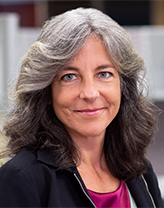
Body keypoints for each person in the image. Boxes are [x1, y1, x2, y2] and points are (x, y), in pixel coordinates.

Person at [0, 7, 163, 208]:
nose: (90, 93)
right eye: (69, 77)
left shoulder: (139, 169)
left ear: (123, 86)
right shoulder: (22, 179)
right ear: (47, 91)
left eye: (104, 74)